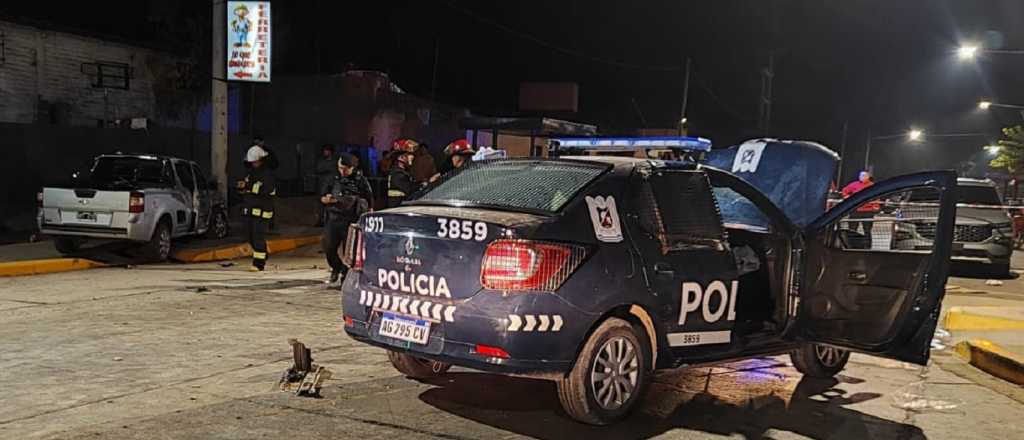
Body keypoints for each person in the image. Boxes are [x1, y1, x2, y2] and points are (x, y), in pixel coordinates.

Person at [320, 153, 372, 286]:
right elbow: (321, 195)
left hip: (351, 220)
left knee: (349, 251)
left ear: (352, 168)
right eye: (340, 168)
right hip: (333, 218)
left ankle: (345, 275)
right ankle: (336, 268)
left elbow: (369, 199)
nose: (342, 171)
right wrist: (325, 199)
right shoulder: (333, 178)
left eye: (345, 169)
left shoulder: (360, 180)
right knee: (328, 247)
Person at [237, 144, 277, 272]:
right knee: (249, 237)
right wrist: (243, 187)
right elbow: (248, 186)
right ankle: (261, 255)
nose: (253, 164)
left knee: (257, 237)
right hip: (249, 210)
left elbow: (268, 190)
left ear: (261, 160)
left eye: (255, 161)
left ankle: (259, 263)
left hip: (262, 211)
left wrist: (249, 186)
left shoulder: (268, 174)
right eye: (252, 162)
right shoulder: (250, 173)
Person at [841, 170, 879, 248]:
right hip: (855, 210)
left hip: (867, 212)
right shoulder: (854, 184)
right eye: (860, 175)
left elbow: (876, 197)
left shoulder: (872, 186)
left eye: (864, 175)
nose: (861, 177)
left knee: (867, 230)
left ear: (868, 177)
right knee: (852, 229)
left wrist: (876, 206)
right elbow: (844, 190)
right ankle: (850, 244)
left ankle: (867, 246)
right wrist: (846, 197)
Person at [386, 144, 418, 208]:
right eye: (409, 154)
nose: (412, 156)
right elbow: (411, 190)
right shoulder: (398, 174)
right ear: (401, 158)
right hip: (398, 209)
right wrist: (427, 183)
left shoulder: (398, 172)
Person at [314, 144, 337, 226]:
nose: (325, 152)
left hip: (332, 185)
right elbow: (318, 169)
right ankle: (320, 220)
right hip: (322, 185)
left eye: (327, 150)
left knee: (331, 203)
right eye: (324, 150)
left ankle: (329, 220)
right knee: (320, 204)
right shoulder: (321, 161)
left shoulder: (335, 161)